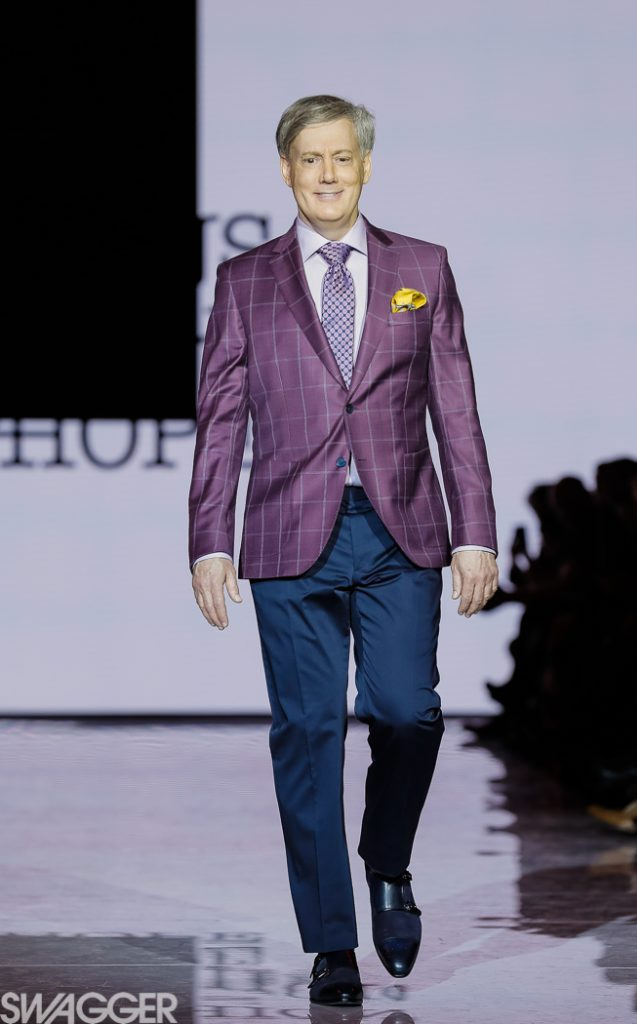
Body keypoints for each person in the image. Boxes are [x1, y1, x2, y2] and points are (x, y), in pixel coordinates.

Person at [188, 95, 499, 1007]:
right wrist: (209, 539)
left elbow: (455, 409)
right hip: (287, 535)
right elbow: (220, 421)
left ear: (365, 164)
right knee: (309, 735)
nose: (326, 174)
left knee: (408, 714)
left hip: (400, 529)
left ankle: (387, 861)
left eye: (341, 157)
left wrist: (474, 531)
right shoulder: (245, 279)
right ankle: (331, 943)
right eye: (309, 159)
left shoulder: (422, 267)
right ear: (285, 169)